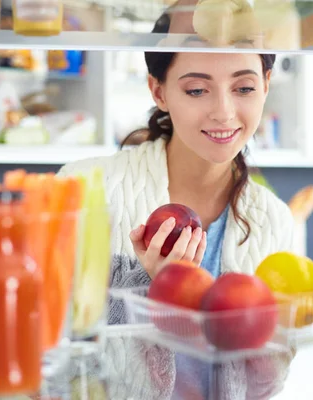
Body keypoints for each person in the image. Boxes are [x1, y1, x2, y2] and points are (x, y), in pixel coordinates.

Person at [57, 3, 296, 399]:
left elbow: (268, 384)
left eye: (244, 88)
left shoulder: (274, 220)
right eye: (197, 89)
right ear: (159, 91)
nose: (223, 112)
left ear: (266, 84)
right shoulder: (83, 187)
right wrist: (147, 291)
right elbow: (54, 349)